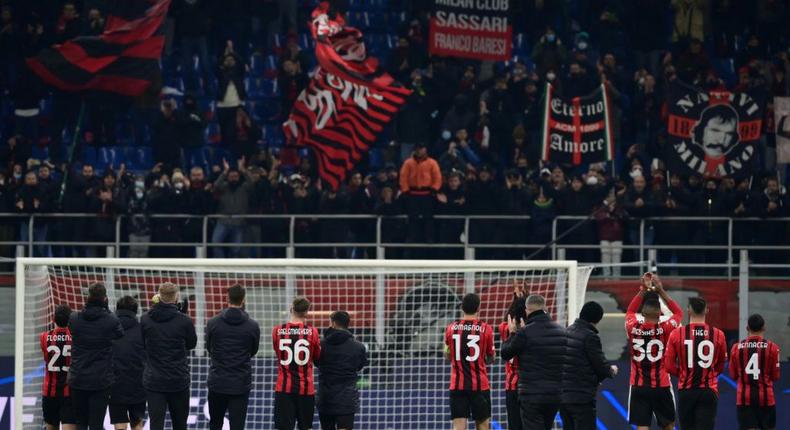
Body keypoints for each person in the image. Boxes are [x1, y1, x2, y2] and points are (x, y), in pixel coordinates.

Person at [624, 273, 682, 430]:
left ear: (642, 314)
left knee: (642, 426)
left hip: (638, 385)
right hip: (661, 385)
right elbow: (678, 313)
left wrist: (643, 289)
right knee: (668, 425)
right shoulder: (666, 328)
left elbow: (629, 311)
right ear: (660, 314)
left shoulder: (632, 326)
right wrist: (661, 291)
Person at [502, 294, 566, 430]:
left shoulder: (524, 333)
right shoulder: (562, 332)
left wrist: (513, 333)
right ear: (545, 308)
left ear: (527, 310)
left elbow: (505, 353)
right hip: (554, 395)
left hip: (531, 395)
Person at [664, 297, 727, 430]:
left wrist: (683, 374)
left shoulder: (676, 334)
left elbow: (668, 366)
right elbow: (721, 364)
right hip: (709, 390)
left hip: (687, 390)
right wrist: (710, 374)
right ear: (706, 311)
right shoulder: (718, 334)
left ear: (688, 310)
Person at [68, 283, 125, 430]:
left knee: (80, 422)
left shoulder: (74, 318)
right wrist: (106, 310)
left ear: (88, 297)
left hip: (78, 378)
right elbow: (120, 333)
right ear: (105, 299)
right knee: (96, 424)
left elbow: (73, 329)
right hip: (100, 380)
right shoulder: (110, 320)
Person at [141, 283, 198, 430]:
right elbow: (191, 343)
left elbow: (142, 343)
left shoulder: (145, 319)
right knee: (180, 425)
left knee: (156, 425)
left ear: (159, 296)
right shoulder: (184, 320)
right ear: (176, 297)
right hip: (178, 380)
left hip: (154, 381)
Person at [206, 284, 261, 430]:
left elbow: (209, 349)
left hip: (218, 382)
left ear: (227, 298)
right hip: (240, 383)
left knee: (215, 424)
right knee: (237, 426)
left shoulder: (213, 323)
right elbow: (253, 351)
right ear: (243, 300)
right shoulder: (252, 326)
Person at [560, 301, 618, 430]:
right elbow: (600, 365)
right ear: (597, 319)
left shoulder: (566, 331)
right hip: (581, 398)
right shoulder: (590, 337)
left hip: (563, 397)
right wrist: (611, 370)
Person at [444, 293, 495, 430]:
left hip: (457, 385)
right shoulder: (486, 329)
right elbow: (491, 357)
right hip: (480, 386)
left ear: (461, 307)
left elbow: (447, 354)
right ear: (479, 308)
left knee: (459, 427)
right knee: (483, 426)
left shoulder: (451, 328)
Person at [272, 297, 322, 430]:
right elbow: (317, 357)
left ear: (291, 309)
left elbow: (278, 353)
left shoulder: (277, 331)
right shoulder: (313, 332)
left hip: (284, 388)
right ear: (306, 313)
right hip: (305, 389)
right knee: (306, 427)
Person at [316, 310, 369, 430]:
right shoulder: (359, 347)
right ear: (347, 324)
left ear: (333, 323)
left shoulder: (321, 345)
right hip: (347, 399)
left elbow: (317, 363)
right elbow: (359, 366)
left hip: (326, 398)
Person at [729, 314, 781, 430]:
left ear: (747, 328)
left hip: (744, 399)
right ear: (764, 328)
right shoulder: (773, 348)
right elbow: (775, 376)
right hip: (766, 399)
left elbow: (733, 375)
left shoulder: (736, 348)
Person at [107, 296, 146, 430]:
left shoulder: (109, 329)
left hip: (114, 384)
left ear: (117, 309)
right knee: (137, 424)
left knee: (120, 424)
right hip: (138, 383)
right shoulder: (143, 330)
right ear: (135, 311)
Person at [40, 304, 76, 430]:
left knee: (50, 426)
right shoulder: (75, 337)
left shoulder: (44, 337)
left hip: (50, 390)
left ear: (53, 319)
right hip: (69, 392)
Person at [399, 142, 442, 246]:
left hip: (427, 193)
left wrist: (434, 189)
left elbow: (437, 177)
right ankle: (412, 237)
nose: (419, 151)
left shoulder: (432, 163)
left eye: (421, 148)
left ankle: (429, 238)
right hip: (413, 193)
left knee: (428, 218)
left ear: (425, 149)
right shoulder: (408, 163)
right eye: (417, 149)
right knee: (412, 218)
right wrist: (405, 190)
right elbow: (403, 177)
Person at [498, 284, 526, 430]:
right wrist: (523, 299)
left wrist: (515, 301)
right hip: (529, 385)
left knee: (514, 426)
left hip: (512, 386)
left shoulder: (503, 328)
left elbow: (507, 318)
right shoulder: (531, 330)